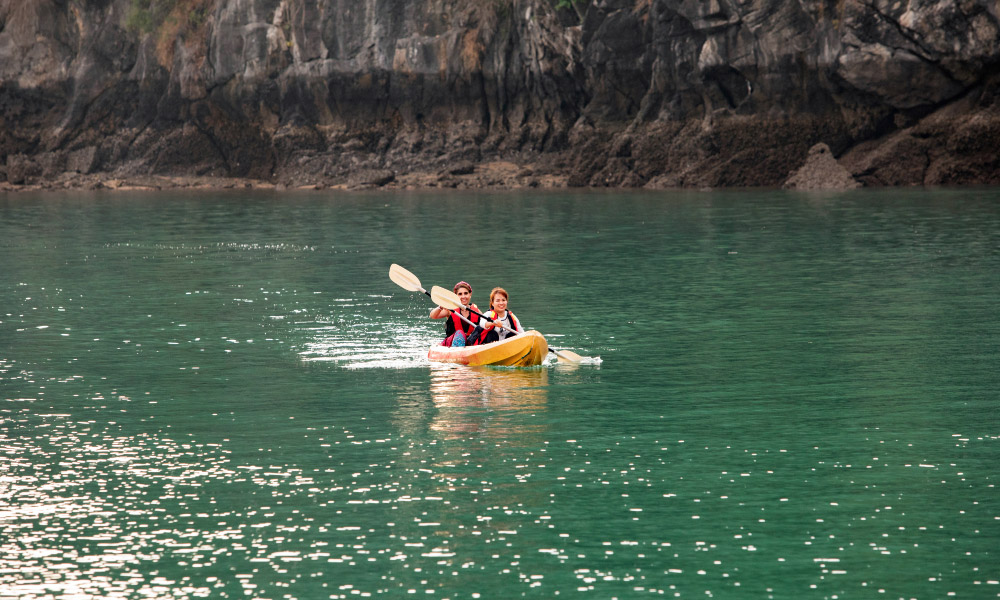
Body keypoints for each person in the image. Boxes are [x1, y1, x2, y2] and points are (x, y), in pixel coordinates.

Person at [430, 281, 481, 346]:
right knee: (460, 333)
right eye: (460, 294)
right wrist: (440, 307)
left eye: (466, 293)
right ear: (456, 296)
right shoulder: (450, 309)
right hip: (452, 343)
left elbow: (485, 325)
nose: (463, 296)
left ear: (470, 294)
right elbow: (433, 316)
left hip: (469, 343)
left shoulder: (476, 311)